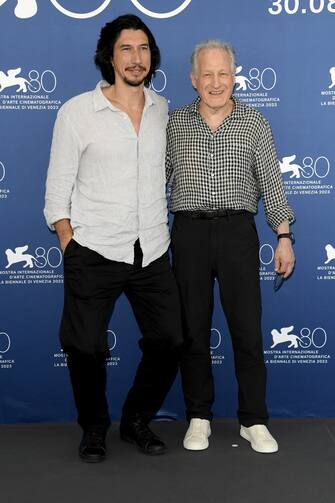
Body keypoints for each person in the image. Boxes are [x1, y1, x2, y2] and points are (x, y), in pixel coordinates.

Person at [44, 14, 183, 463]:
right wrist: (69, 241)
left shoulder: (164, 110)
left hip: (153, 249)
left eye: (143, 49)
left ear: (152, 57)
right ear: (109, 55)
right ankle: (95, 427)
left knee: (170, 340)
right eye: (126, 48)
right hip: (95, 248)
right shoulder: (77, 112)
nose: (136, 58)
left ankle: (136, 420)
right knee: (84, 347)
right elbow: (57, 188)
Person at [166, 39, 295, 453]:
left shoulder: (255, 123)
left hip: (239, 233)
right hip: (188, 234)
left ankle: (253, 419)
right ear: (193, 79)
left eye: (223, 73)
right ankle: (199, 417)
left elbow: (272, 188)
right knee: (193, 331)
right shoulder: (174, 124)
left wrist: (284, 236)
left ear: (234, 76)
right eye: (207, 74)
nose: (216, 82)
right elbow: (153, 183)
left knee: (246, 330)